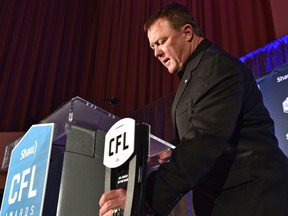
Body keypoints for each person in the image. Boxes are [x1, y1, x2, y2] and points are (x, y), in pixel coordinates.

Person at [99, 3, 288, 216]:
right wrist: (169, 155)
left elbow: (203, 143)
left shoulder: (216, 67)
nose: (157, 53)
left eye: (161, 42)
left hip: (255, 199)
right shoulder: (192, 77)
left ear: (187, 32)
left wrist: (142, 194)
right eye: (152, 47)